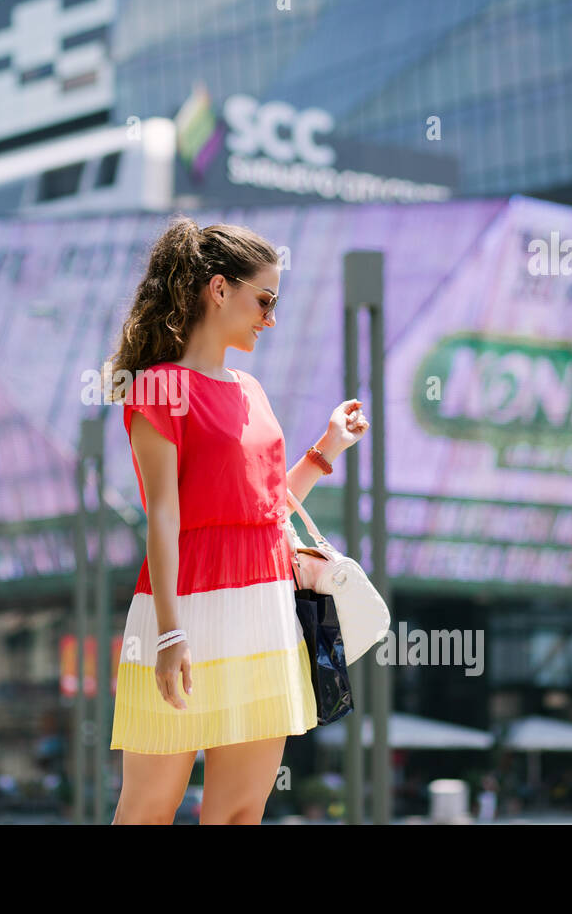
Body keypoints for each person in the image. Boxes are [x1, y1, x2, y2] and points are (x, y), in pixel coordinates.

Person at [105, 217, 369, 825]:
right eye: (264, 300)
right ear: (218, 289)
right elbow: (164, 516)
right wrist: (170, 633)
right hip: (184, 611)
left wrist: (325, 449)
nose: (270, 318)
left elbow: (266, 510)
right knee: (148, 807)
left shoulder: (251, 389)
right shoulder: (159, 388)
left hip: (265, 610)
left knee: (239, 812)